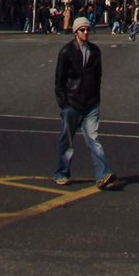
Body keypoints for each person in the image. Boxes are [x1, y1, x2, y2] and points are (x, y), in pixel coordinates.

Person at [54, 17, 115, 189]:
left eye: (88, 29)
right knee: (67, 141)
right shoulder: (66, 52)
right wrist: (64, 103)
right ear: (75, 32)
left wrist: (96, 98)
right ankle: (62, 173)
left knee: (94, 140)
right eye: (82, 30)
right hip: (72, 102)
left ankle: (103, 175)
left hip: (90, 103)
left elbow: (98, 76)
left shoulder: (95, 51)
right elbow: (59, 80)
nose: (86, 32)